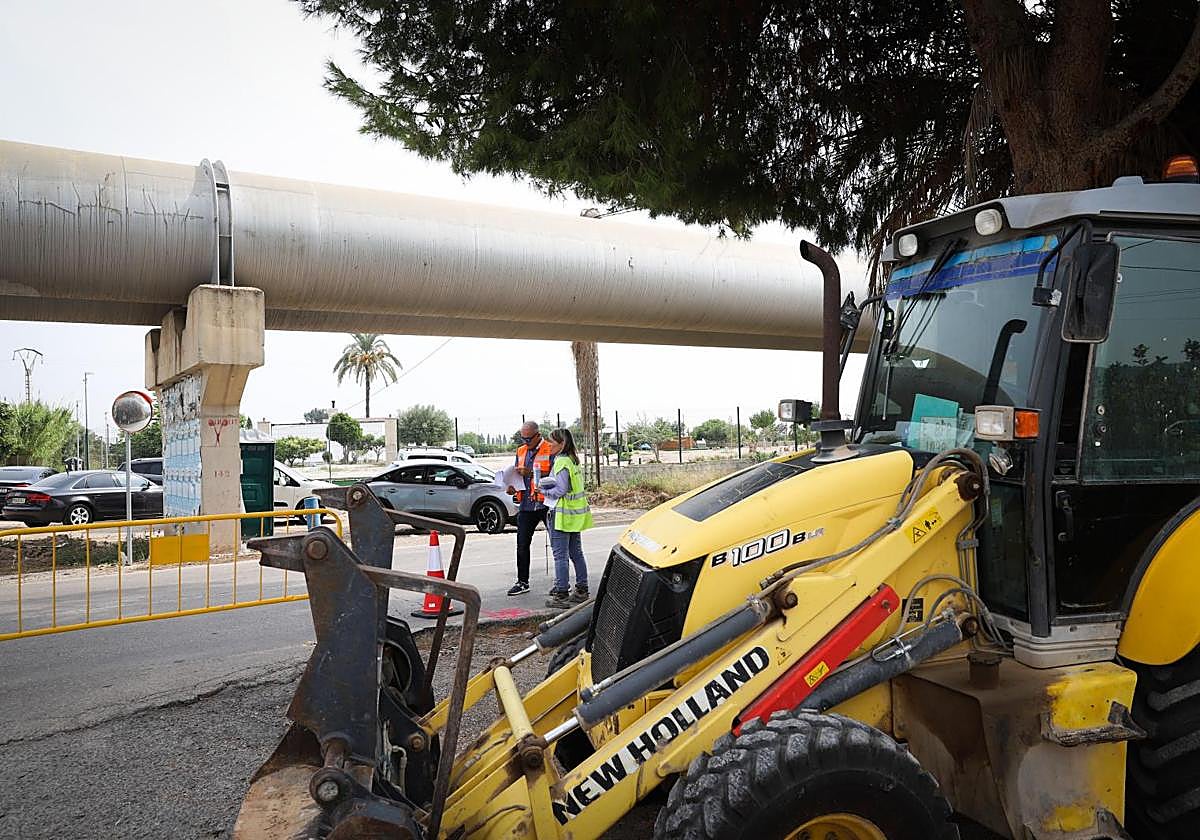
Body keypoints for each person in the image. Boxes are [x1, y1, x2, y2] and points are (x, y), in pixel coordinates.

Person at [538, 428, 594, 608]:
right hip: (574, 515)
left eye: (552, 443)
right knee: (576, 553)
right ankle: (581, 590)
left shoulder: (561, 461)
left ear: (562, 444)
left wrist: (543, 491)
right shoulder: (573, 460)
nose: (548, 446)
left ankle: (561, 593)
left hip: (562, 515)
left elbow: (560, 490)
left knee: (560, 555)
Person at [506, 421, 553, 596]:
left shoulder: (550, 449)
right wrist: (511, 485)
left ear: (538, 435)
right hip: (526, 504)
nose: (525, 442)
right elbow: (517, 475)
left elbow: (556, 475)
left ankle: (562, 583)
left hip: (546, 503)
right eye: (522, 438)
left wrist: (531, 474)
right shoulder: (520, 451)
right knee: (522, 545)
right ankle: (522, 582)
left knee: (557, 545)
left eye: (528, 438)